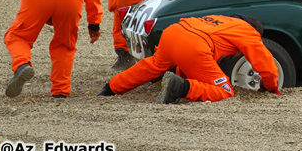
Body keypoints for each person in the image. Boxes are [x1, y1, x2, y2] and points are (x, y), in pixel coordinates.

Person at [96, 14, 281, 103]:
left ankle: (111, 88)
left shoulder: (220, 18)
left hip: (173, 32)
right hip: (194, 45)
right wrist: (270, 87)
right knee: (225, 91)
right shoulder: (247, 30)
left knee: (153, 65)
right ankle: (181, 88)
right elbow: (266, 64)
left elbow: (188, 64)